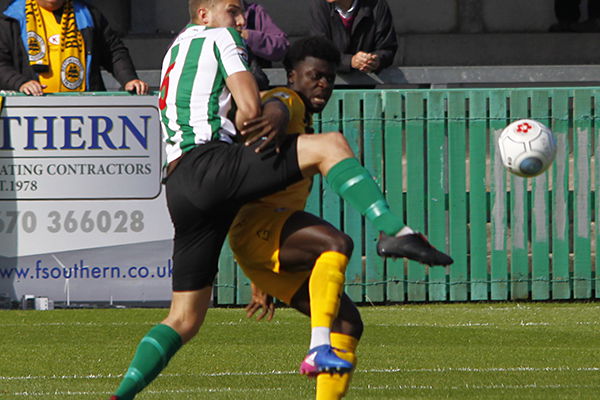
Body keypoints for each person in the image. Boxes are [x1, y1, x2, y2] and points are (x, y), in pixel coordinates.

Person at [109, 0, 451, 399]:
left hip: (180, 183)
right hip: (209, 162)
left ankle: (122, 394)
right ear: (204, 14)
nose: (242, 21)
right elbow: (252, 109)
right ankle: (395, 231)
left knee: (183, 319)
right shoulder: (222, 37)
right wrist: (262, 111)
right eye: (233, 10)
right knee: (331, 146)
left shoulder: (177, 49)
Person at [230, 36, 363, 399]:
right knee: (336, 243)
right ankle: (318, 345)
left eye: (330, 78)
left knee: (348, 322)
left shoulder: (302, 119)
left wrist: (263, 276)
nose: (323, 84)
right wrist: (271, 118)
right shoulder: (288, 99)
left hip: (269, 239)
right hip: (258, 228)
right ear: (292, 75)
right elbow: (277, 106)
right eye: (314, 76)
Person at [0, 0, 148, 95]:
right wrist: (20, 83)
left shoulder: (88, 15)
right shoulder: (11, 19)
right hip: (28, 113)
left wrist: (129, 79)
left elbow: (114, 52)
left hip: (84, 113)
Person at [308, 0, 397, 74]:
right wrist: (350, 61)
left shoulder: (377, 5)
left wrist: (375, 60)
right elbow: (319, 51)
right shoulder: (319, 5)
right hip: (329, 87)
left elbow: (387, 47)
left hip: (364, 87)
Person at [241, 0, 288, 89]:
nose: (240, 21)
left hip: (254, 88)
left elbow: (281, 46)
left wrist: (250, 37)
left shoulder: (255, 13)